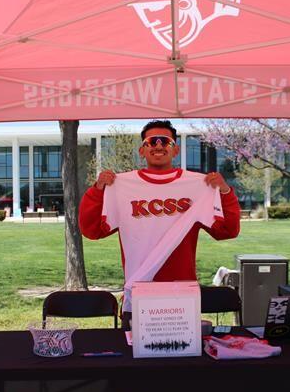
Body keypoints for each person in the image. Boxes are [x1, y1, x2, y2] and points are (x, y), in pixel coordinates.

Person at [80, 119, 241, 328]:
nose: (158, 145)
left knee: (182, 358)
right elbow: (91, 230)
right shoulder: (122, 187)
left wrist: (225, 192)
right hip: (139, 290)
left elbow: (227, 230)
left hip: (182, 292)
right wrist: (98, 190)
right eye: (152, 141)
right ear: (141, 150)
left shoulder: (197, 186)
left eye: (165, 142)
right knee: (137, 357)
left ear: (175, 151)